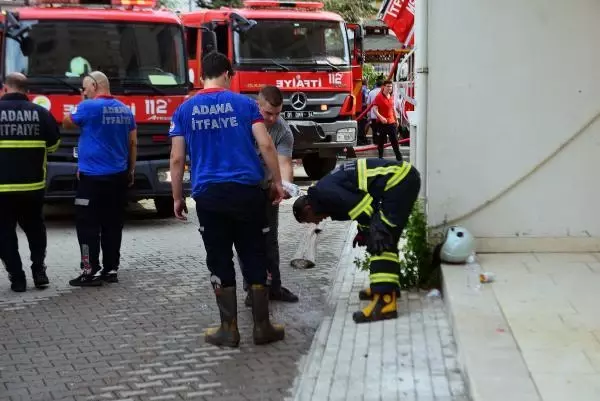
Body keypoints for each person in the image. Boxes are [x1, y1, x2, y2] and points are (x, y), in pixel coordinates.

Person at [169, 51, 285, 348]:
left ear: (202, 76)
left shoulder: (185, 110)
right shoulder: (245, 104)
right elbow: (266, 144)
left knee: (219, 259)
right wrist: (277, 182)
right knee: (254, 254)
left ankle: (229, 329)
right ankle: (262, 327)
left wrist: (177, 197)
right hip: (247, 192)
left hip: (208, 195)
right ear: (227, 74)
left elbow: (177, 158)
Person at [292, 158, 421, 324]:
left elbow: (366, 208)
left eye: (310, 220)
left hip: (400, 181)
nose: (315, 223)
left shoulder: (327, 194)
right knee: (382, 236)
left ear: (309, 208)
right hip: (398, 182)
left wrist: (371, 231)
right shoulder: (323, 193)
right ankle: (385, 288)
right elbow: (361, 206)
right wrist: (364, 231)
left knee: (381, 239)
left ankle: (385, 302)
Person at [63, 71, 137, 287]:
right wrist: (130, 171)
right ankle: (111, 269)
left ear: (95, 86)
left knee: (87, 226)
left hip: (92, 180)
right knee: (113, 224)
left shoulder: (87, 107)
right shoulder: (125, 110)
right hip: (118, 178)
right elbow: (133, 144)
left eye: (85, 87)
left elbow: (67, 122)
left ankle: (89, 271)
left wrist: (80, 103)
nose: (83, 91)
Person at [0, 73, 60, 292]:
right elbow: (53, 146)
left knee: (4, 233)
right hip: (32, 187)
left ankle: (17, 278)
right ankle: (39, 270)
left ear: (4, 88)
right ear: (27, 90)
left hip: (1, 189)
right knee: (35, 229)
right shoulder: (41, 113)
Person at [239, 85, 299, 306]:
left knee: (270, 239)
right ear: (258, 106)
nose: (273, 119)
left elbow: (284, 165)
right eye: (268, 113)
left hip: (266, 189)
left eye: (277, 113)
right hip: (243, 189)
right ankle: (252, 289)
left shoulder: (282, 131)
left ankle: (274, 287)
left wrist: (282, 188)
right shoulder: (242, 124)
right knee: (247, 240)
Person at [372, 80, 403, 161]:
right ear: (383, 87)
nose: (390, 88)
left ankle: (399, 158)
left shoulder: (391, 96)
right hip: (382, 123)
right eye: (388, 86)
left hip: (391, 122)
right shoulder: (378, 97)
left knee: (395, 141)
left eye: (391, 86)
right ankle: (380, 158)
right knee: (381, 142)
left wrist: (396, 119)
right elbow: (374, 109)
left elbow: (392, 109)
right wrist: (380, 117)